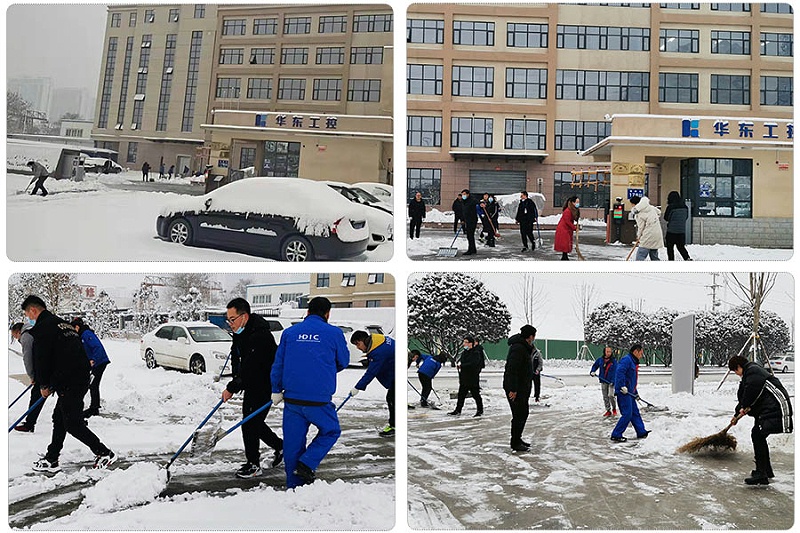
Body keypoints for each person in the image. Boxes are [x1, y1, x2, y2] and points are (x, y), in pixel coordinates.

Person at [22, 296, 115, 473]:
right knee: (59, 418)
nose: (28, 318)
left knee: (72, 424)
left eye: (27, 314)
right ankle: (52, 458)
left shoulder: (43, 328)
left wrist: (43, 385)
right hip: (77, 378)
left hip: (69, 381)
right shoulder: (62, 324)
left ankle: (104, 453)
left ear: (33, 310)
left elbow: (42, 359)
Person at [270, 297, 349, 488]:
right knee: (331, 431)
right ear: (327, 313)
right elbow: (344, 361)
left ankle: (294, 486)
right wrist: (324, 369)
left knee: (292, 444)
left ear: (307, 312)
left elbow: (278, 364)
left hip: (292, 400)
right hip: (319, 400)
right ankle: (307, 463)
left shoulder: (290, 333)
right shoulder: (334, 333)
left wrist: (275, 389)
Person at [222, 298, 283, 478]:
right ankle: (280, 446)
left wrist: (232, 387)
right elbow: (237, 357)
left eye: (232, 319)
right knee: (253, 422)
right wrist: (236, 379)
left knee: (249, 423)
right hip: (252, 384)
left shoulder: (260, 336)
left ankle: (253, 464)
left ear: (244, 316)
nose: (230, 323)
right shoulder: (242, 333)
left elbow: (251, 368)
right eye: (228, 320)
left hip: (264, 384)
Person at [728, 355, 793, 485]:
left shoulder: (752, 371)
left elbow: (751, 392)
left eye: (735, 371)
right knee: (758, 435)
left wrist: (745, 406)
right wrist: (737, 414)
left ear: (739, 366)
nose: (737, 374)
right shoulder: (749, 373)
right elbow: (744, 396)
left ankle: (762, 473)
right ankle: (765, 471)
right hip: (768, 408)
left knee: (757, 435)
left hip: (776, 407)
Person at [350, 330, 396, 437]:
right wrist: (370, 360)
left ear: (363, 340)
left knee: (392, 398)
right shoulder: (378, 340)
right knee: (393, 398)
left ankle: (394, 427)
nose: (357, 347)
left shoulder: (378, 352)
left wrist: (357, 387)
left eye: (357, 344)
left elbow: (371, 372)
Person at [503, 325, 538, 451]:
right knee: (519, 414)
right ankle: (515, 442)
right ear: (530, 336)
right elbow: (512, 369)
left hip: (522, 387)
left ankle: (517, 438)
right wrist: (513, 389)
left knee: (522, 413)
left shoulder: (523, 347)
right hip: (515, 388)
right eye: (533, 336)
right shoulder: (518, 348)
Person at [70, 318, 111, 419]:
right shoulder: (82, 335)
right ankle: (94, 407)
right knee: (92, 384)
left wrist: (93, 360)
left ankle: (94, 408)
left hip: (100, 362)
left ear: (77, 327)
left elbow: (97, 347)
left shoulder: (86, 334)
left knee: (93, 384)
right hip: (94, 363)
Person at [10, 322, 45, 433]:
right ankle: (30, 422)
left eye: (14, 335)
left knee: (36, 396)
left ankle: (29, 424)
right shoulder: (33, 332)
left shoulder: (26, 337)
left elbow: (28, 358)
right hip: (46, 368)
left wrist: (32, 376)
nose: (15, 338)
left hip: (45, 370)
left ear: (18, 332)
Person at [610, 344, 649, 442]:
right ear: (635, 351)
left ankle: (641, 431)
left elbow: (631, 380)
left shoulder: (633, 362)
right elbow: (619, 372)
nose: (641, 355)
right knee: (627, 414)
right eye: (641, 353)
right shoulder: (627, 360)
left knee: (635, 413)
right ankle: (616, 434)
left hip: (630, 392)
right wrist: (621, 386)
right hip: (623, 392)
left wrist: (635, 393)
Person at [448, 336, 485, 416]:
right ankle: (458, 410)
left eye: (466, 342)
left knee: (475, 394)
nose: (464, 344)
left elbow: (473, 364)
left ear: (470, 343)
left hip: (472, 377)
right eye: (464, 342)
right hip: (464, 377)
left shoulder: (476, 353)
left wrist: (462, 366)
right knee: (461, 395)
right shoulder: (464, 352)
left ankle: (480, 410)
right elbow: (463, 362)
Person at [629, 196, 663, 261]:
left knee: (640, 256)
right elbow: (659, 212)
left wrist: (638, 237)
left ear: (634, 204)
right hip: (657, 233)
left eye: (632, 204)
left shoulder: (639, 213)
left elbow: (641, 227)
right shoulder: (651, 207)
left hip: (647, 235)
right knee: (654, 255)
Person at [663, 191, 692, 261]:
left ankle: (671, 261)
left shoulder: (670, 207)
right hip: (681, 231)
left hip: (671, 231)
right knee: (681, 247)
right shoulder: (685, 207)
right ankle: (687, 258)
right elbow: (686, 217)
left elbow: (666, 218)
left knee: (670, 248)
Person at [590, 346, 618, 417]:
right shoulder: (600, 360)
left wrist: (613, 381)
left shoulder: (614, 361)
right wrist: (592, 371)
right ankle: (608, 410)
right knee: (605, 396)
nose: (609, 353)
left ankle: (614, 408)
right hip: (603, 381)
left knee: (611, 395)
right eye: (607, 351)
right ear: (604, 352)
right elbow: (595, 366)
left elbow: (615, 372)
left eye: (610, 352)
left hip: (611, 382)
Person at [554, 196, 579, 260]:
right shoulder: (568, 211)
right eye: (577, 202)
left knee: (566, 243)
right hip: (563, 229)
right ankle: (564, 257)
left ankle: (565, 256)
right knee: (565, 243)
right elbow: (567, 221)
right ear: (572, 202)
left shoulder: (572, 209)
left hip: (566, 229)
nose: (578, 203)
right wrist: (574, 227)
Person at [460, 189, 479, 256]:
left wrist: (482, 203)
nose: (463, 196)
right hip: (466, 220)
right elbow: (463, 211)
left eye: (464, 194)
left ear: (468, 194)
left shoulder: (472, 200)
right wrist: (462, 219)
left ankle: (470, 250)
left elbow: (478, 202)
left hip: (472, 220)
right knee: (469, 235)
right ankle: (473, 249)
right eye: (462, 194)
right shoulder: (463, 201)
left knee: (470, 235)